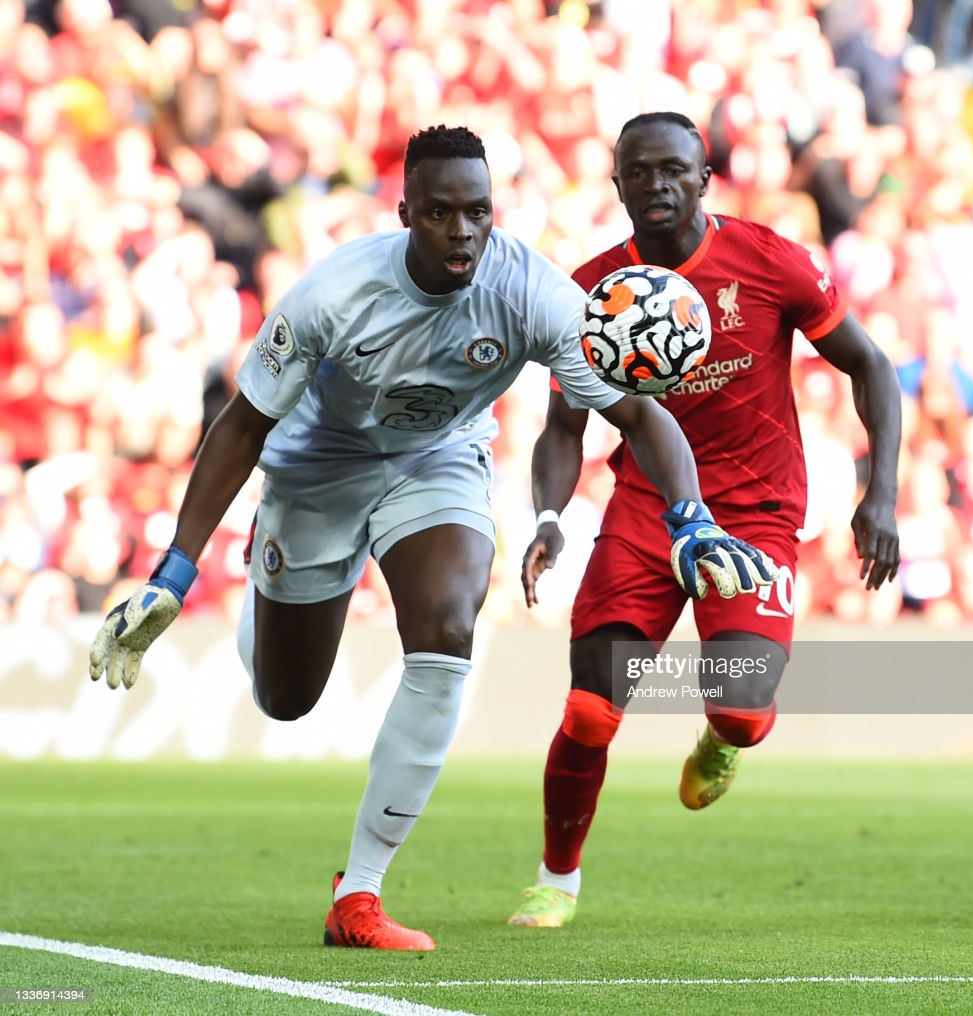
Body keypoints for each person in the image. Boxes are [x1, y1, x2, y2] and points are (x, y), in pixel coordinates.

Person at [87, 125, 777, 952]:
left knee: (450, 628)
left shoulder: (531, 290)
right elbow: (241, 427)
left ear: (495, 213)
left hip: (436, 461)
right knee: (287, 697)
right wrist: (173, 572)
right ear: (405, 209)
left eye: (477, 212)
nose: (462, 232)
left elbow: (638, 412)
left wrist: (691, 519)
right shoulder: (333, 293)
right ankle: (260, 605)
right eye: (442, 213)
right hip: (316, 475)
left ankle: (362, 893)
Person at [507, 111, 901, 929]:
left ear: (703, 179)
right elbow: (562, 429)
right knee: (590, 709)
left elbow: (869, 364)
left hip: (756, 514)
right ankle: (556, 879)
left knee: (742, 706)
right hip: (646, 512)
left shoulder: (770, 263)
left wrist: (883, 491)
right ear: (617, 184)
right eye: (639, 172)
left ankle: (723, 737)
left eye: (673, 170)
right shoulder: (590, 293)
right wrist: (548, 513)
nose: (656, 184)